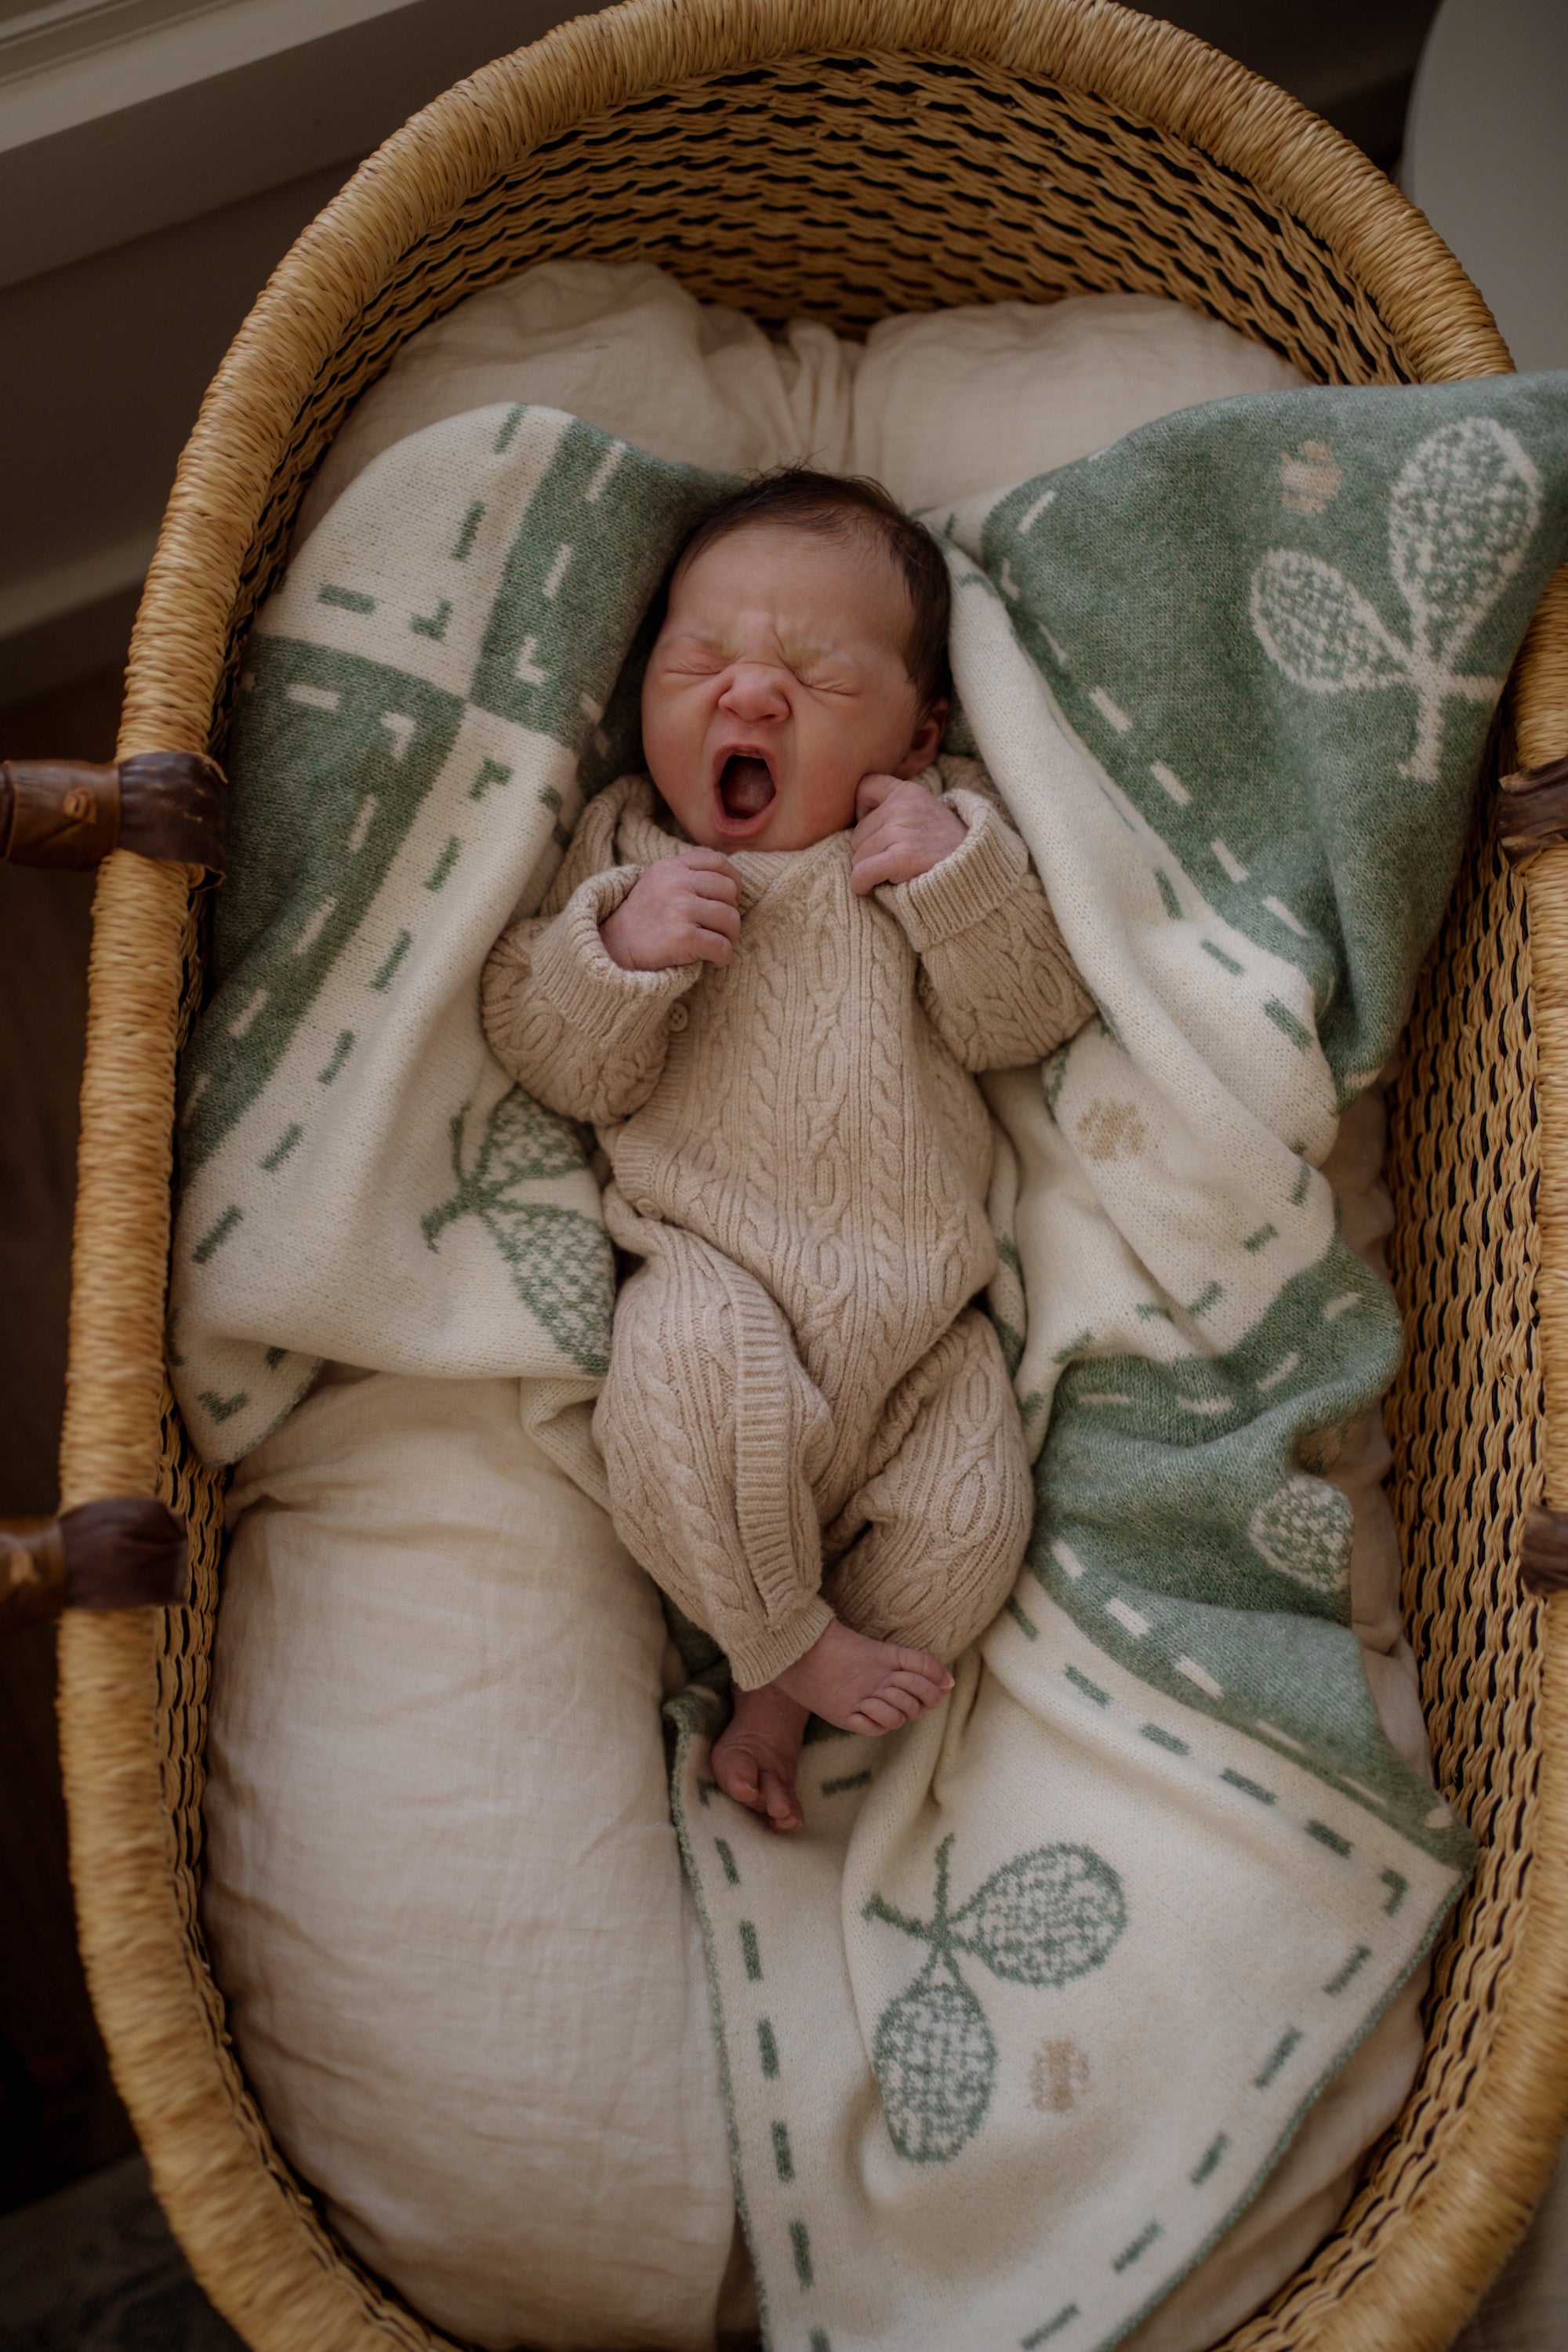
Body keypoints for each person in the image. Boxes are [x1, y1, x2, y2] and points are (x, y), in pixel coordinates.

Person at [483, 470, 1091, 1829]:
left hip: (924, 1329)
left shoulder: (931, 841)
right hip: (720, 1281)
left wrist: (952, 875)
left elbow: (1024, 1018)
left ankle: (773, 1693)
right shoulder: (626, 852)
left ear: (919, 731)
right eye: (701, 659)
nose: (747, 697)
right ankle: (785, 1645)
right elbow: (550, 1052)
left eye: (814, 678)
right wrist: (619, 953)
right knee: (680, 1381)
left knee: (970, 1523)